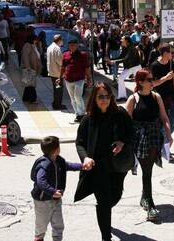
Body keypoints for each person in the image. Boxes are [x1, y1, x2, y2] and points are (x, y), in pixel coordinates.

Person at [74, 83, 135, 241]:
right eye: (101, 96)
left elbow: (131, 132)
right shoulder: (88, 118)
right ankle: (105, 237)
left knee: (115, 197)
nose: (105, 100)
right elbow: (80, 142)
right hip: (97, 169)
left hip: (117, 167)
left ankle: (104, 213)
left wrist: (122, 142)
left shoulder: (119, 113)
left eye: (107, 96)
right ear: (94, 98)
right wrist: (85, 158)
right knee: (104, 202)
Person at [125, 69, 173, 221]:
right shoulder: (133, 99)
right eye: (149, 79)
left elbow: (164, 117)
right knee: (146, 170)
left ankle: (146, 197)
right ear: (140, 82)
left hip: (153, 135)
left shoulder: (156, 96)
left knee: (148, 169)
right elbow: (125, 120)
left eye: (153, 79)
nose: (153, 82)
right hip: (139, 137)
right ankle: (150, 203)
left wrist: (169, 134)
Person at [31, 136, 84, 241]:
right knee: (41, 226)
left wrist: (82, 166)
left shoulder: (58, 160)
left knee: (58, 226)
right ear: (57, 149)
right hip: (43, 201)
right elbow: (40, 180)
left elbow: (67, 166)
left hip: (56, 200)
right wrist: (52, 191)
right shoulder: (44, 164)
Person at [149, 43, 174, 137]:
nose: (173, 54)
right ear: (165, 53)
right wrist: (165, 78)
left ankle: (165, 140)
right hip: (161, 98)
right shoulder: (154, 65)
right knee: (163, 123)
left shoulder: (171, 63)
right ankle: (163, 144)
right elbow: (153, 83)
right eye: (172, 52)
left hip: (172, 96)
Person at [60, 38, 92, 122]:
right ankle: (77, 114)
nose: (72, 47)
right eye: (70, 45)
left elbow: (87, 68)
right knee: (72, 98)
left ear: (77, 45)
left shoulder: (83, 55)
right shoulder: (65, 54)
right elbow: (63, 67)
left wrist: (89, 78)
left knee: (77, 96)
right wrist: (59, 77)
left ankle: (81, 114)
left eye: (73, 45)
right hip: (68, 79)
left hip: (79, 79)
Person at [107, 35, 142, 102]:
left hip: (136, 67)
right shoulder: (124, 48)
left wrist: (114, 61)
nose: (120, 40)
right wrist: (111, 60)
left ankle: (141, 97)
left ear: (126, 41)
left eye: (122, 39)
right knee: (120, 78)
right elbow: (121, 57)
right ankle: (122, 96)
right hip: (129, 67)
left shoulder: (131, 48)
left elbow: (126, 59)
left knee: (139, 82)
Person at [47, 34, 66, 110]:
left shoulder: (50, 47)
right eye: (62, 40)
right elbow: (60, 61)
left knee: (56, 89)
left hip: (52, 71)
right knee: (59, 89)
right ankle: (57, 104)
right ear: (59, 40)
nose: (63, 42)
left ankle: (56, 103)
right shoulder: (56, 48)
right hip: (57, 73)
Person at [21, 33, 42, 104]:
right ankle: (32, 99)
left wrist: (40, 46)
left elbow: (40, 54)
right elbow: (25, 56)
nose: (37, 41)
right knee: (31, 85)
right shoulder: (27, 45)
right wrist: (28, 66)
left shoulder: (34, 46)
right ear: (32, 40)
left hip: (32, 67)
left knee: (28, 84)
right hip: (29, 68)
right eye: (35, 40)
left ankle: (25, 97)